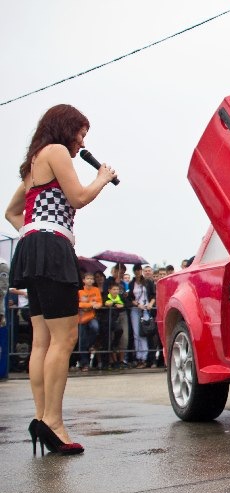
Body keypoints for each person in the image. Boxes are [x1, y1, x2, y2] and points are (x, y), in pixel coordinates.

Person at [4, 104, 117, 455]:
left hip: (32, 246)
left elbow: (11, 212)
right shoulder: (55, 151)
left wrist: (34, 232)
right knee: (64, 338)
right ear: (64, 127)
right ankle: (53, 421)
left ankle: (42, 418)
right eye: (80, 133)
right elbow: (78, 198)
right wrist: (101, 176)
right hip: (52, 248)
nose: (82, 140)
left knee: (42, 340)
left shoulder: (36, 161)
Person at [127, 264, 156, 368]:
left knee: (145, 333)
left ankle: (146, 357)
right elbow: (130, 298)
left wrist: (150, 304)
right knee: (136, 334)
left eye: (139, 270)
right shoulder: (131, 283)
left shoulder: (148, 282)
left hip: (146, 310)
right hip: (136, 309)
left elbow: (153, 295)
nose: (138, 272)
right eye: (136, 270)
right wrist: (138, 304)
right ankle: (139, 357)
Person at [77, 273, 102, 371]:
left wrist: (97, 305)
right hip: (82, 318)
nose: (90, 280)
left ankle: (90, 345)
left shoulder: (96, 290)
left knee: (95, 328)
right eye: (88, 278)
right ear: (83, 280)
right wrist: (90, 305)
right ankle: (84, 363)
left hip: (91, 316)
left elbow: (100, 302)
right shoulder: (80, 290)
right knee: (82, 341)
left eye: (91, 279)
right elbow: (78, 303)